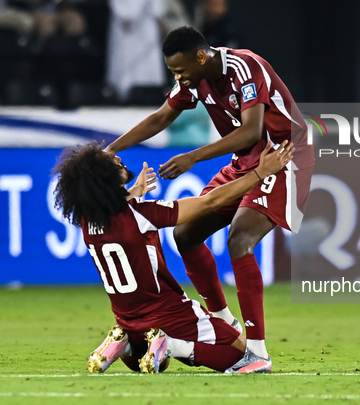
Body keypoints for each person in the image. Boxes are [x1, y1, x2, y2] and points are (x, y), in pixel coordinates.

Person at [104, 26, 314, 373]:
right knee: (184, 234)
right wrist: (110, 149)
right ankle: (223, 321)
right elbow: (161, 117)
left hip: (283, 156)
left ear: (201, 56)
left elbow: (251, 130)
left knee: (240, 239)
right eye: (173, 72)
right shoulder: (194, 80)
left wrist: (193, 157)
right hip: (247, 160)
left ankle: (257, 353)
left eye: (181, 69)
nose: (178, 77)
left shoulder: (245, 67)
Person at [51, 140, 293, 374]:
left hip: (128, 319)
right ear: (105, 181)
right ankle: (171, 344)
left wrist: (132, 192)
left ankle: (124, 343)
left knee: (154, 362)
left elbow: (116, 212)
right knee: (244, 354)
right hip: (169, 313)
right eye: (114, 165)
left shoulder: (88, 222)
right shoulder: (141, 214)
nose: (119, 159)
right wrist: (261, 172)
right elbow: (211, 201)